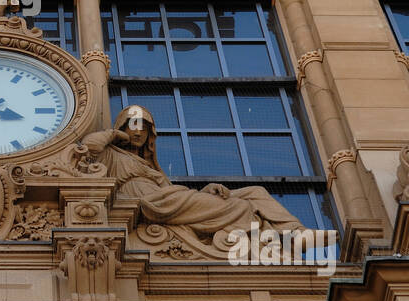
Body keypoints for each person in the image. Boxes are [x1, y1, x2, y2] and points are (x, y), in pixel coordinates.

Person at [82, 105, 307, 247]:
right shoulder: (113, 154)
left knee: (255, 192)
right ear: (123, 126)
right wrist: (113, 133)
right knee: (238, 207)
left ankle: (294, 232)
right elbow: (89, 148)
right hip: (153, 202)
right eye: (132, 125)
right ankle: (269, 239)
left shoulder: (150, 167)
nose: (139, 132)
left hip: (168, 198)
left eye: (144, 127)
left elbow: (169, 191)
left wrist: (206, 191)